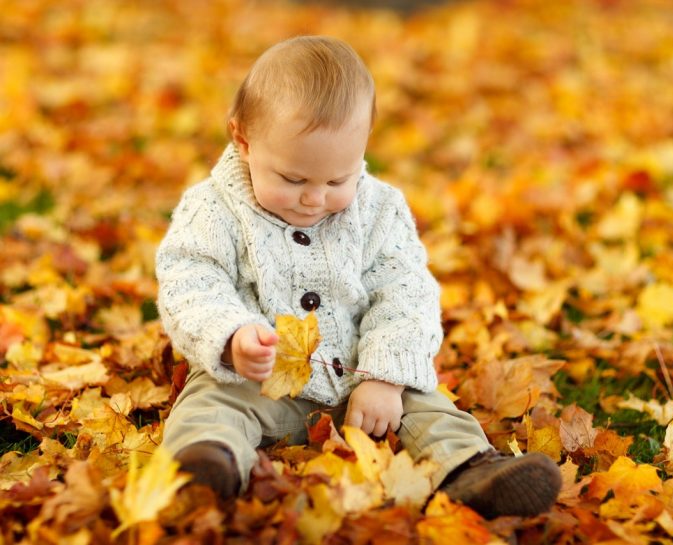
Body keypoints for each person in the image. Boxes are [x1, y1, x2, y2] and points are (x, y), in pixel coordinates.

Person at [155, 35, 561, 518]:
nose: (314, 198)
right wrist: (230, 337)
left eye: (336, 181)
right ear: (242, 139)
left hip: (359, 381)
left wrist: (385, 376)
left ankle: (471, 470)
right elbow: (190, 278)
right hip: (256, 382)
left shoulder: (379, 209)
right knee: (210, 405)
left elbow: (404, 292)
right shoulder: (213, 207)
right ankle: (207, 466)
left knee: (428, 404)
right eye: (293, 179)